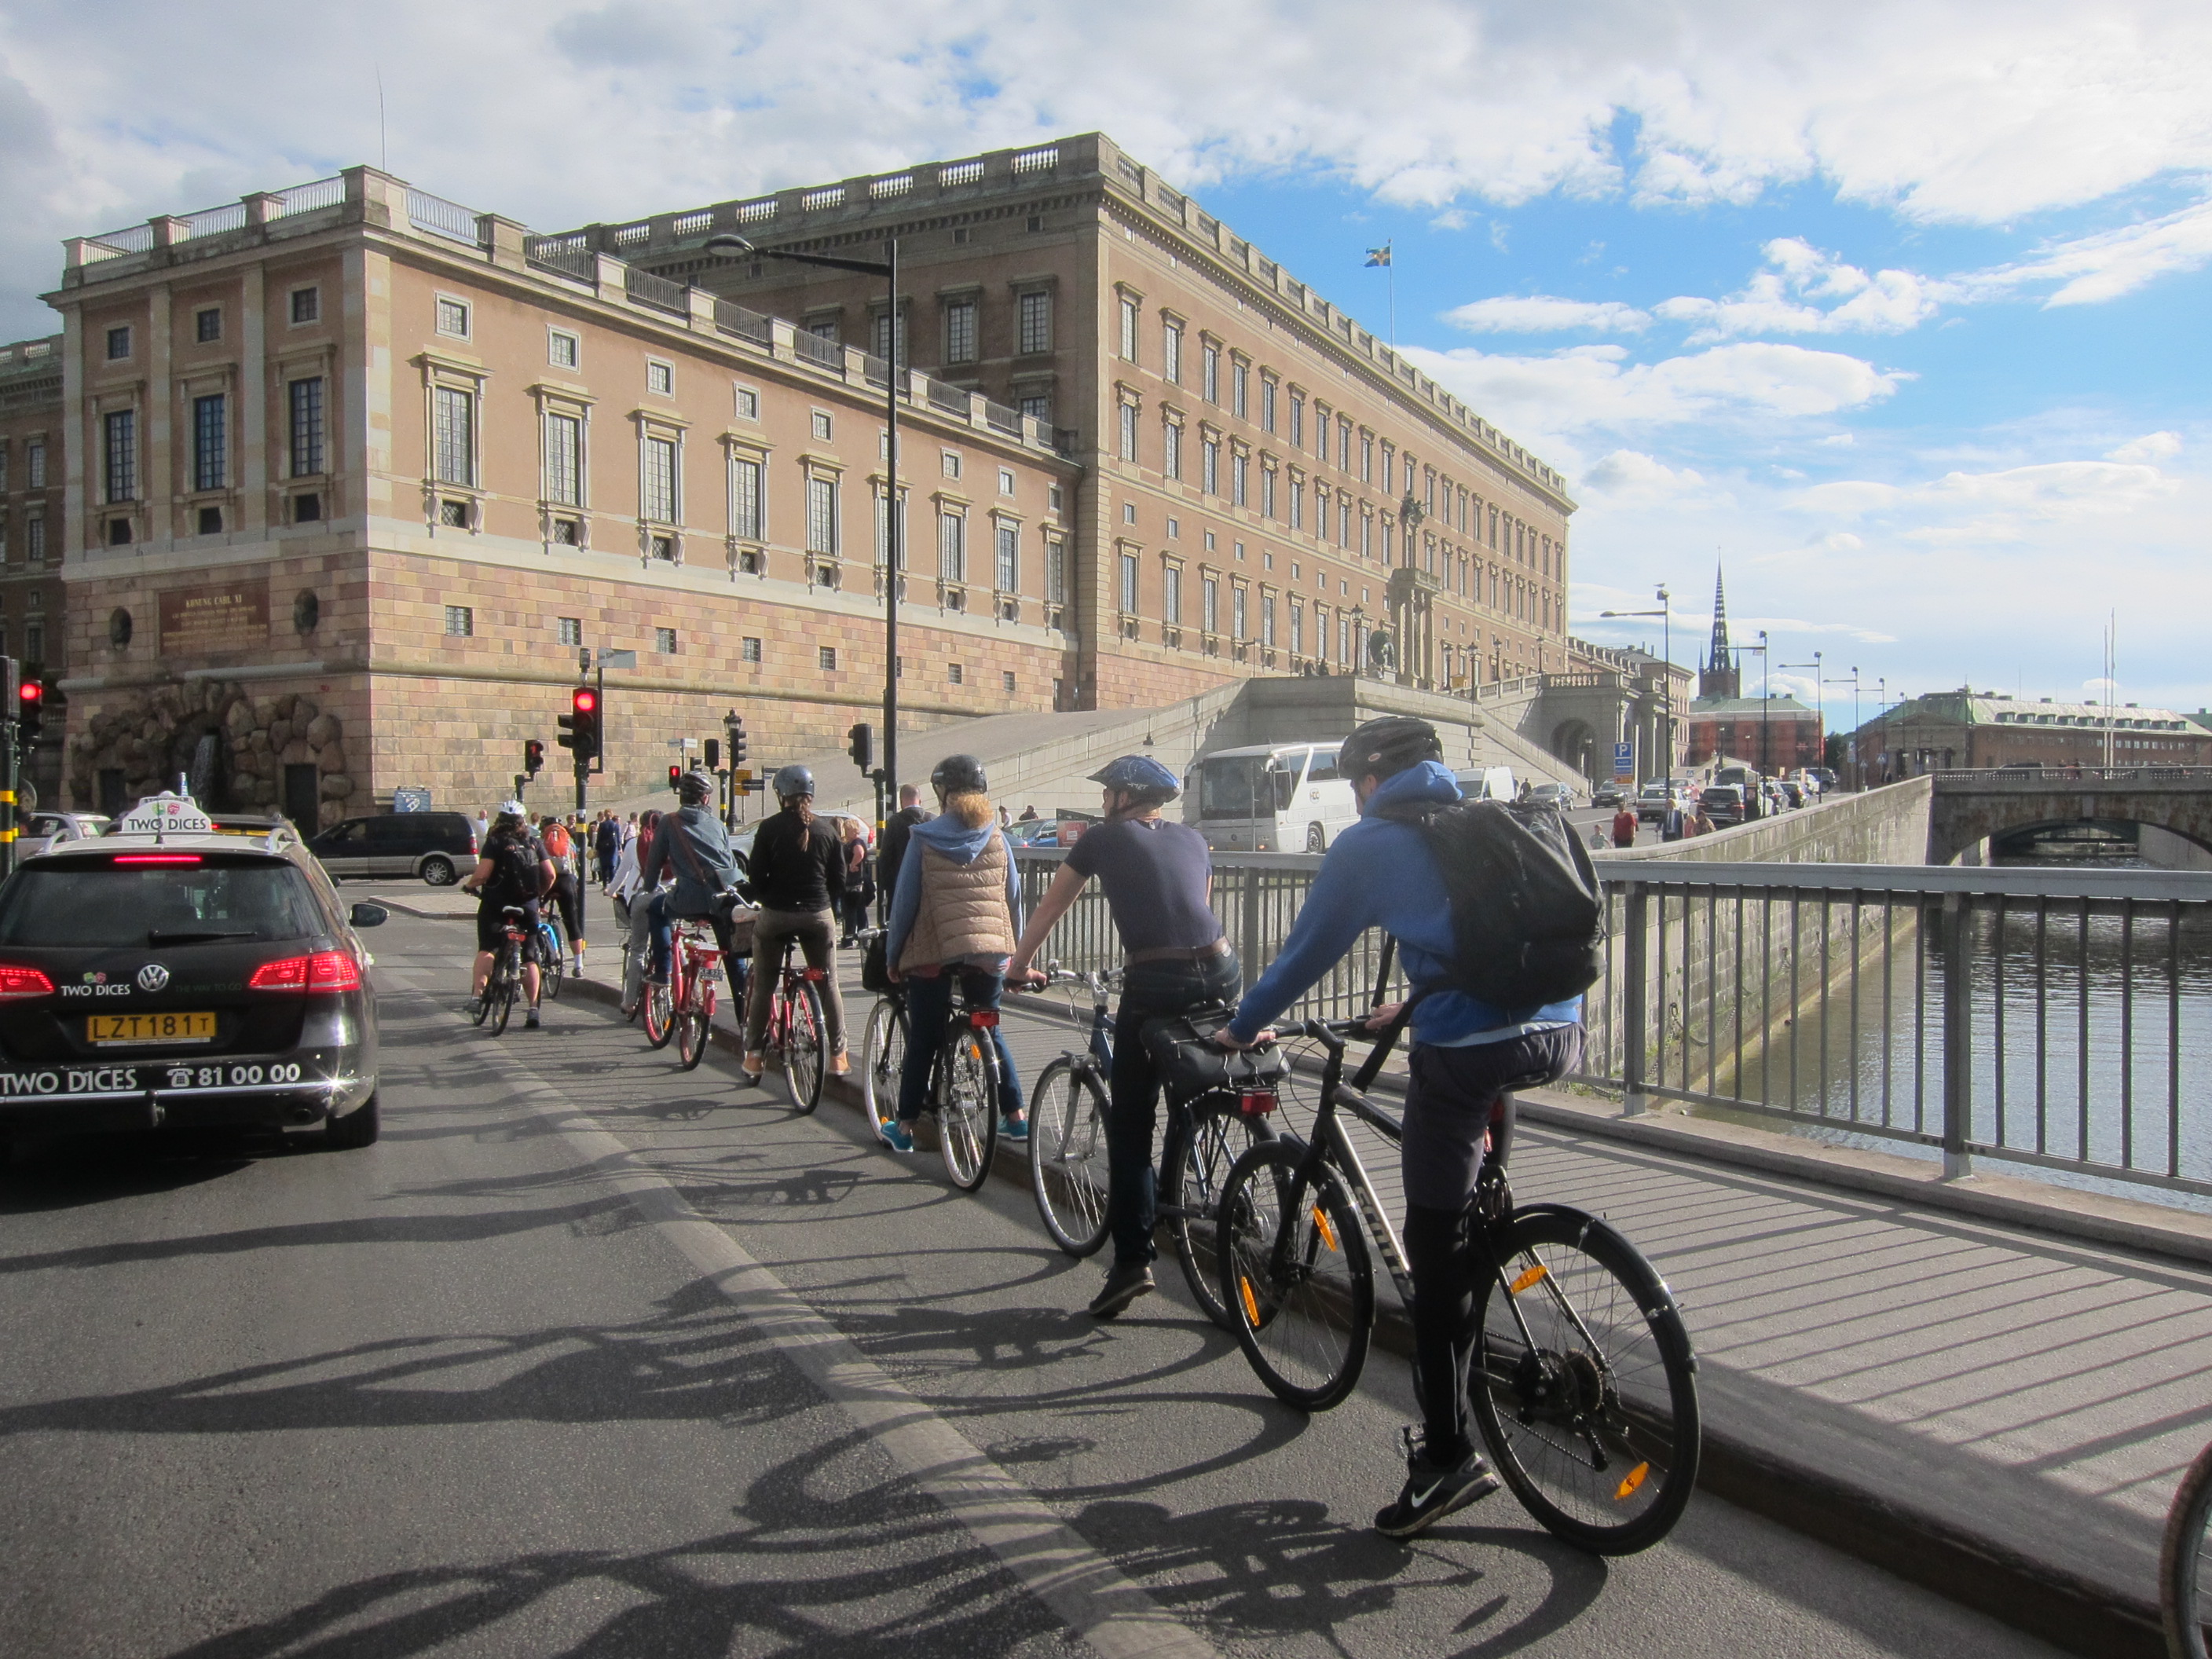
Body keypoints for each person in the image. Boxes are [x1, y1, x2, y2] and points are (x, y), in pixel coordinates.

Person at [1213, 716, 1584, 1540]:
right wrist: (1412, 1002)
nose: (1353, 798)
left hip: (1466, 1055)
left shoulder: (1369, 842)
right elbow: (1477, 940)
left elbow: (1300, 958)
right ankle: (1489, 1253)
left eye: (1353, 786)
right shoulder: (1491, 818)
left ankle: (1445, 1460)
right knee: (1469, 1212)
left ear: (1368, 782)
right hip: (1557, 1031)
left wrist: (1242, 1027)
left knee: (1432, 1257)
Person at [1007, 755, 1236, 1317]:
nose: (1103, 801)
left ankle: (1133, 1262)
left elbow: (1052, 907)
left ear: (1124, 798)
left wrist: (1017, 967)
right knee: (1190, 1080)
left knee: (1133, 1120)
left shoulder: (1100, 840)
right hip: (1223, 967)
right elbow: (1193, 907)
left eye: (1108, 792)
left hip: (1154, 975)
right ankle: (1183, 1178)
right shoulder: (1192, 837)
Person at [881, 754, 1026, 1152]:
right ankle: (1015, 1118)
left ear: (942, 794)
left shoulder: (924, 837)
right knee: (989, 1028)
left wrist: (893, 957)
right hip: (988, 953)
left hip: (934, 956)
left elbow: (905, 903)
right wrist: (1014, 954)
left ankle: (905, 1126)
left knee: (925, 1038)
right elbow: (1014, 900)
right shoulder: (997, 837)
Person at [742, 765, 849, 1083]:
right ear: (810, 796)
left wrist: (767, 898)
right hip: (818, 915)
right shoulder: (828, 831)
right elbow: (839, 880)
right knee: (828, 982)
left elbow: (756, 877)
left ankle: (754, 1057)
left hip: (777, 915)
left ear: (781, 795)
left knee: (765, 985)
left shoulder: (769, 829)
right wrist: (822, 902)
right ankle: (839, 1056)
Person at [640, 771, 750, 1017]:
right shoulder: (718, 825)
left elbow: (654, 862)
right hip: (723, 899)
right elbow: (727, 860)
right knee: (733, 957)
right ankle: (745, 1018)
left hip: (688, 900)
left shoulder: (669, 822)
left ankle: (663, 971)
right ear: (705, 799)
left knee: (656, 908)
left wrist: (647, 890)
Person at [463, 800, 555, 1030]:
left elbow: (483, 874)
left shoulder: (494, 842)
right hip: (528, 906)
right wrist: (538, 897)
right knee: (530, 956)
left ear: (499, 820)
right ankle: (533, 1008)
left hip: (497, 904)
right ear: (522, 822)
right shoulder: (534, 843)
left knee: (487, 948)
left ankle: (476, 996)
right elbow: (550, 875)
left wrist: (470, 885)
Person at [610, 808, 666, 1018]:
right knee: (672, 943)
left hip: (641, 898)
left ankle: (630, 1002)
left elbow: (621, 874)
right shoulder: (669, 840)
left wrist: (610, 891)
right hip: (667, 897)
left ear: (642, 825)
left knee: (638, 949)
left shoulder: (634, 844)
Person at [541, 814, 585, 974]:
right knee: (572, 923)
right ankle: (578, 965)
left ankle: (541, 954)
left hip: (548, 882)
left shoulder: (541, 841)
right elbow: (578, 866)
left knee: (532, 915)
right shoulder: (570, 842)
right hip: (568, 882)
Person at [879, 782, 931, 903]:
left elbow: (886, 856)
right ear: (920, 800)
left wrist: (886, 885)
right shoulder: (932, 819)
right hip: (928, 882)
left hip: (902, 882)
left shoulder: (895, 822)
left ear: (901, 801)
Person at [836, 815, 873, 947]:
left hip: (853, 882)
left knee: (850, 912)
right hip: (859, 882)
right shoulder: (857, 841)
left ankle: (849, 939)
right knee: (860, 911)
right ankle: (863, 938)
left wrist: (852, 865)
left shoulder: (855, 843)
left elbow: (859, 853)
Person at [594, 810, 621, 888]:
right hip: (613, 848)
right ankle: (612, 884)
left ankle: (605, 884)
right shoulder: (616, 825)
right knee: (612, 866)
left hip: (603, 848)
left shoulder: (602, 825)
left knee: (604, 866)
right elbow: (618, 838)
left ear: (605, 816)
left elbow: (599, 838)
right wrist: (619, 848)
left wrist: (597, 848)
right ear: (612, 816)